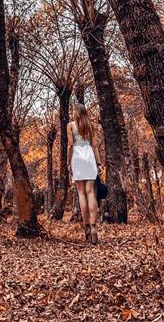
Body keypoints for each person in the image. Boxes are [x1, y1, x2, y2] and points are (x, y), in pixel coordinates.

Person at [67, 103, 102, 244]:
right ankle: (94, 228)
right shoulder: (90, 125)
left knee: (81, 193)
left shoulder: (70, 125)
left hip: (77, 157)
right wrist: (99, 163)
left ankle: (86, 227)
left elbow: (70, 144)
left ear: (76, 112)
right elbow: (95, 146)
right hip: (89, 157)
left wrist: (68, 161)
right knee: (91, 193)